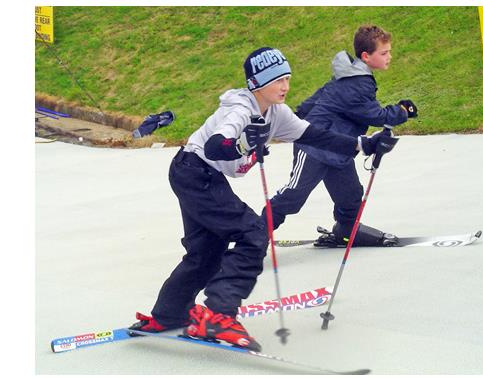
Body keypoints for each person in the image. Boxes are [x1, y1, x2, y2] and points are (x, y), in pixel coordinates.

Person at [129, 47, 397, 351]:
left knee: (206, 251)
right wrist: (242, 142)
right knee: (254, 233)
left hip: (196, 173)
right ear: (257, 84)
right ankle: (218, 315)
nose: (285, 86)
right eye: (277, 80)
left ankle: (168, 314)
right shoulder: (240, 109)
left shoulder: (277, 112)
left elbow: (315, 136)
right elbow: (218, 146)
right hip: (196, 172)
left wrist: (365, 143)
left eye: (287, 79)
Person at [266, 25, 418, 247]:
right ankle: (252, 234)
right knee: (293, 197)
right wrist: (403, 111)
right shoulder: (357, 83)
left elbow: (317, 98)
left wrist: (300, 113)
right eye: (384, 53)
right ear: (366, 56)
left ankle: (345, 231)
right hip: (315, 147)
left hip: (339, 147)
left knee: (350, 194)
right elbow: (375, 115)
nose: (389, 57)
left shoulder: (349, 74)